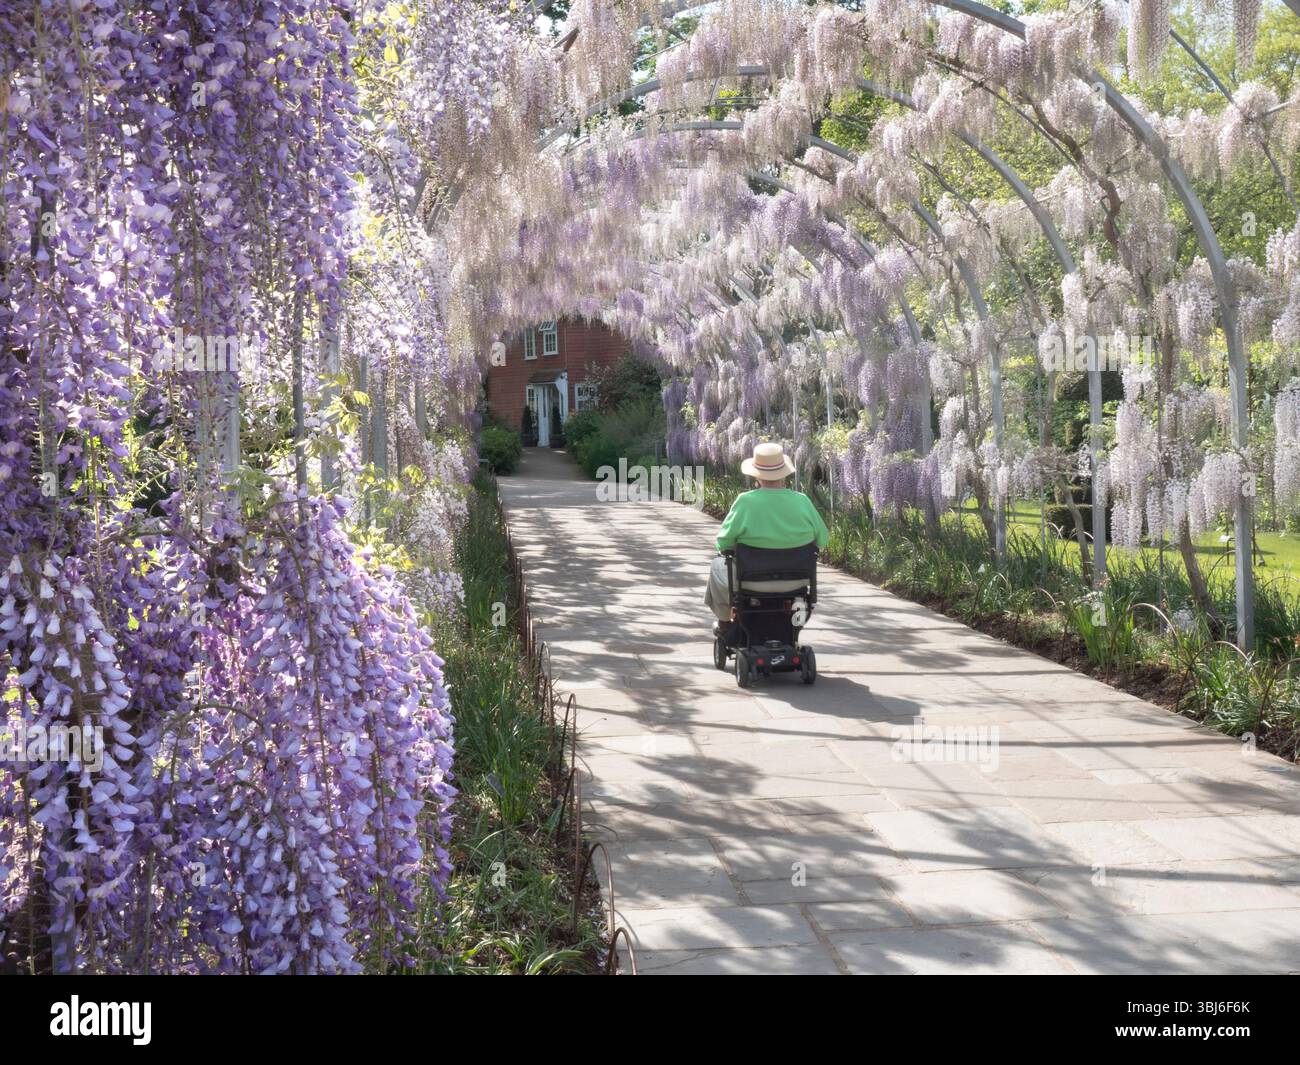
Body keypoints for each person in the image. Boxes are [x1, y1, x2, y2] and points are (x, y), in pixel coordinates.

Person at [704, 441, 830, 628]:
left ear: (757, 477)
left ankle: (724, 622)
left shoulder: (745, 501)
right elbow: (823, 539)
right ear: (784, 475)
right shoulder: (802, 501)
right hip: (797, 581)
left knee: (717, 566)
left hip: (751, 582)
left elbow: (723, 543)